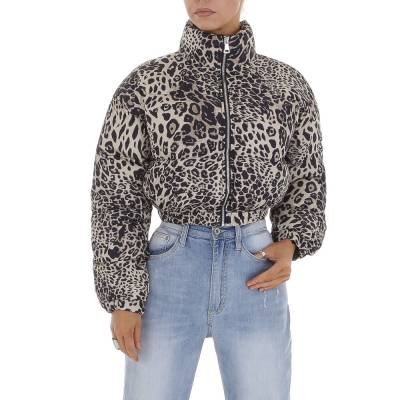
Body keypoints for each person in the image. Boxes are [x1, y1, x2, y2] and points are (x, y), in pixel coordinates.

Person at [90, 0, 327, 398]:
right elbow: (116, 194)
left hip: (255, 267)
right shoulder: (146, 85)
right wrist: (123, 298)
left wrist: (292, 242)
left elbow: (307, 175)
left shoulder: (286, 85)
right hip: (171, 268)